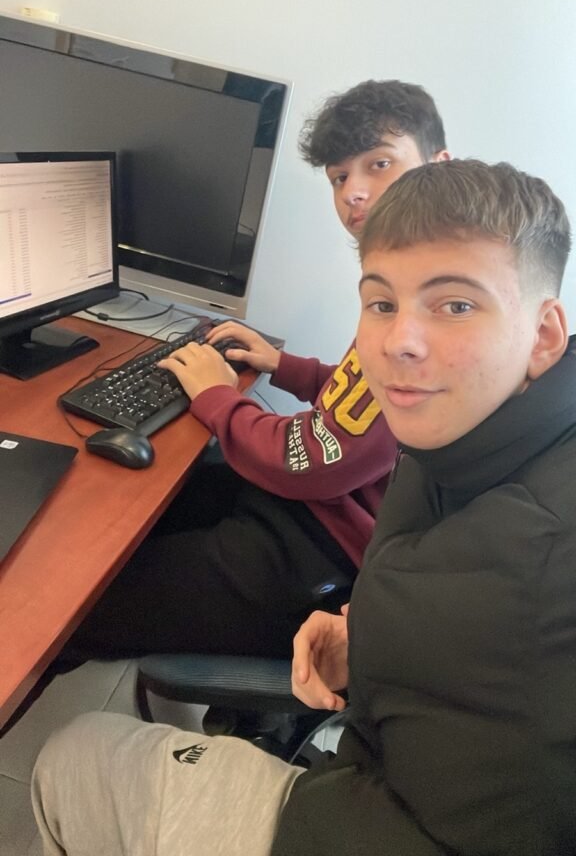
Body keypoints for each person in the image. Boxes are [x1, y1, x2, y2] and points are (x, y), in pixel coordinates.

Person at [33, 159, 576, 856]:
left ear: (543, 333)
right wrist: (363, 634)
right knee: (127, 524)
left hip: (348, 809)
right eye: (381, 303)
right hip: (359, 634)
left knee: (72, 662)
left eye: (457, 306)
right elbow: (351, 391)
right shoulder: (468, 417)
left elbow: (319, 458)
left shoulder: (534, 574)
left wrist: (217, 398)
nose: (400, 341)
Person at [58, 80, 449, 663]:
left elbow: (318, 461)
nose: (355, 192)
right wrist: (285, 367)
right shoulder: (406, 272)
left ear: (438, 165)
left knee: (74, 604)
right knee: (114, 522)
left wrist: (218, 397)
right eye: (340, 177)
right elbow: (365, 399)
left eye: (380, 164)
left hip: (324, 550)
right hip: (314, 506)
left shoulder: (433, 307)